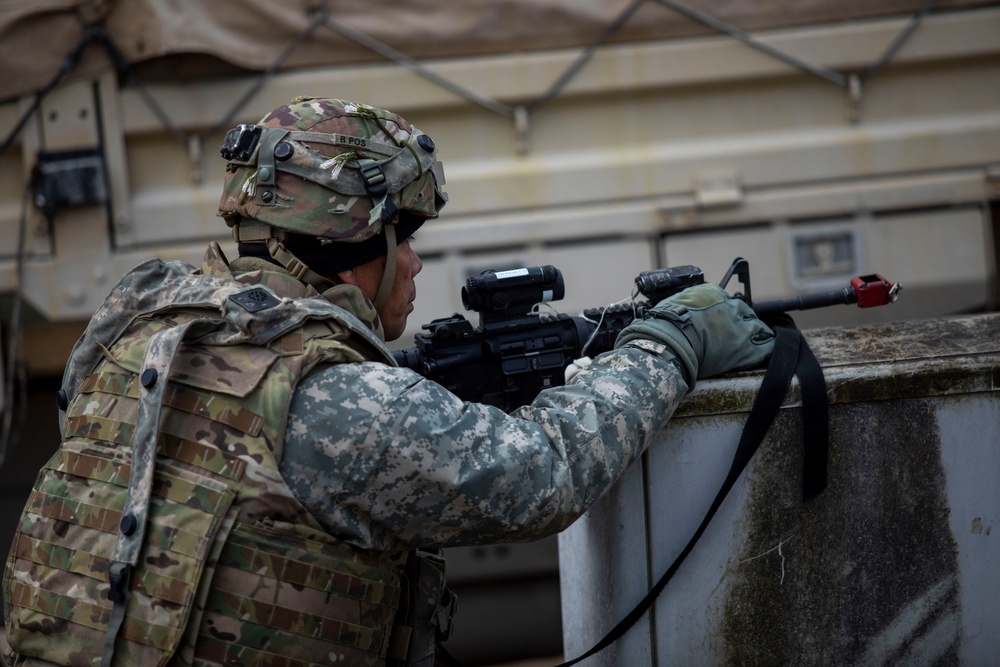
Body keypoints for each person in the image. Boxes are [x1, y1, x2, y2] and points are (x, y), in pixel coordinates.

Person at [2, 97, 774, 667]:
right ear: (356, 242)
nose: (415, 263)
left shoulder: (130, 327)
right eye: (407, 239)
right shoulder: (331, 399)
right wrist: (668, 343)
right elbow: (539, 474)